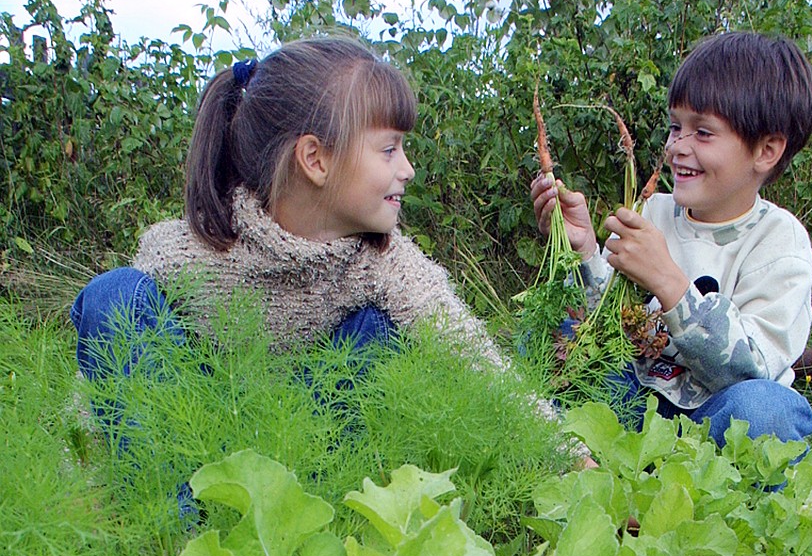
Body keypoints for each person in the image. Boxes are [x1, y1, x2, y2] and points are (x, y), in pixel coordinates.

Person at [71, 35, 554, 464]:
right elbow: (109, 377)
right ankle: (178, 534)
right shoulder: (187, 253)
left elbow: (468, 353)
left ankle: (325, 522)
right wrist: (85, 463)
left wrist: (566, 454)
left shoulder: (384, 262)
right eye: (389, 150)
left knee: (375, 333)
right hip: (194, 446)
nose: (407, 169)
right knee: (114, 296)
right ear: (315, 159)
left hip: (307, 453)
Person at [530, 31, 812, 448]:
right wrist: (584, 250)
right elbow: (605, 323)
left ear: (766, 151)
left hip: (715, 421)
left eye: (702, 133)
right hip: (635, 408)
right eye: (675, 127)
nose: (676, 147)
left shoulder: (779, 241)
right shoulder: (655, 211)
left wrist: (670, 284)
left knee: (768, 411)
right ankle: (583, 462)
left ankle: (712, 493)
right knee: (554, 332)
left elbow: (751, 369)